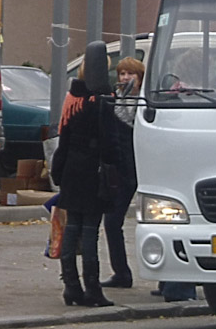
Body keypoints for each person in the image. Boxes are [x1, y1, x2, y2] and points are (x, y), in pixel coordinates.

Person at [50, 63, 119, 307]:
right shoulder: (103, 101)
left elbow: (63, 138)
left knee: (72, 228)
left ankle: (71, 286)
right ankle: (93, 289)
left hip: (71, 170)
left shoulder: (72, 98)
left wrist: (57, 173)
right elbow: (111, 142)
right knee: (90, 231)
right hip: (94, 172)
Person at [101, 57, 145, 288]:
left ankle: (168, 279)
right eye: (122, 74)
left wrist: (126, 102)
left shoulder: (144, 102)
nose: (125, 78)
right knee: (112, 221)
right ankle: (121, 272)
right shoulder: (115, 99)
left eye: (131, 74)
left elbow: (132, 124)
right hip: (122, 169)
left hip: (141, 167)